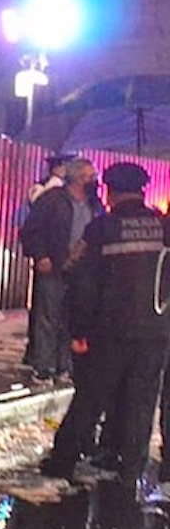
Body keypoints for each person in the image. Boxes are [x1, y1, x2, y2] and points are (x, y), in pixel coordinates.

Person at [41, 162, 170, 490]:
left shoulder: (101, 229)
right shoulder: (163, 226)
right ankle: (131, 467)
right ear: (141, 191)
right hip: (156, 332)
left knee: (91, 398)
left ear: (110, 192)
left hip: (109, 331)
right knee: (142, 401)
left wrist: (79, 330)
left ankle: (62, 462)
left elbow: (78, 277)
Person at [18, 157, 100, 381]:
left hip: (81, 271)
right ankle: (43, 367)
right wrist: (40, 255)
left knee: (71, 319)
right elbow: (31, 230)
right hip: (54, 266)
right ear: (75, 178)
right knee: (48, 317)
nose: (94, 181)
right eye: (89, 176)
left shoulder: (94, 204)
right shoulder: (52, 199)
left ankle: (64, 365)